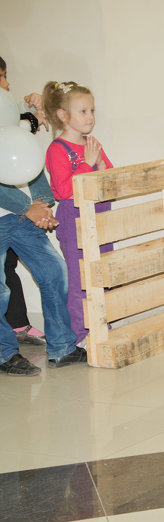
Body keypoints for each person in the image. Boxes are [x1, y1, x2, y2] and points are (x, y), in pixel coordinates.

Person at [42, 81, 111, 356]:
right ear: (62, 115)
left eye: (91, 110)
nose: (90, 116)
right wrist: (88, 164)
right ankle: (82, 334)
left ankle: (104, 323)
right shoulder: (57, 149)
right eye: (82, 111)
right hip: (74, 218)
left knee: (102, 272)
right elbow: (64, 189)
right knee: (80, 276)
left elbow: (108, 175)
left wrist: (101, 167)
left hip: (100, 214)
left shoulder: (92, 144)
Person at [0, 161, 81, 373]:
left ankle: (62, 347)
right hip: (15, 211)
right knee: (0, 290)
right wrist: (28, 208)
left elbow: (30, 161)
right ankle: (3, 355)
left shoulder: (18, 126)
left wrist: (42, 205)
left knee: (54, 273)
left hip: (23, 216)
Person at [0, 55, 48, 347]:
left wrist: (33, 109)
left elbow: (15, 129)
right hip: (11, 206)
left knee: (9, 265)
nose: (6, 83)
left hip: (10, 208)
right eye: (1, 77)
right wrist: (30, 119)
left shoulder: (7, 106)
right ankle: (11, 333)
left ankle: (18, 323)